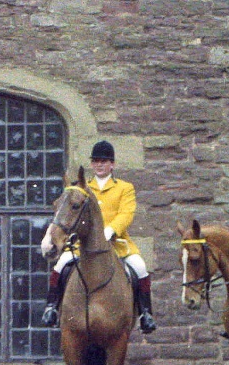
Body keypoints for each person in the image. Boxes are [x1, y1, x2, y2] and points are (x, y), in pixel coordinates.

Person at [42, 140, 157, 333]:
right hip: (83, 245)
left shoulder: (124, 187)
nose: (99, 165)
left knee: (140, 267)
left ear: (112, 164)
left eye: (104, 161)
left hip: (118, 244)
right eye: (96, 161)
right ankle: (52, 308)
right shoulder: (83, 189)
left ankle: (145, 313)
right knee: (60, 266)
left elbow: (126, 213)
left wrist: (111, 230)